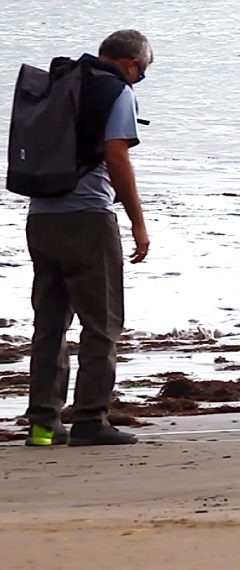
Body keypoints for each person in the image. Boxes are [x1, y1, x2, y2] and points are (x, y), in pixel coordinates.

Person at [23, 30, 152, 447]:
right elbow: (117, 155)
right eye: (142, 73)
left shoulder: (61, 83)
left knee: (50, 323)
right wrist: (137, 221)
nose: (139, 80)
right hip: (88, 219)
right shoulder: (116, 91)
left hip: (41, 216)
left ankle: (43, 425)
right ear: (132, 64)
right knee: (103, 323)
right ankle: (90, 421)